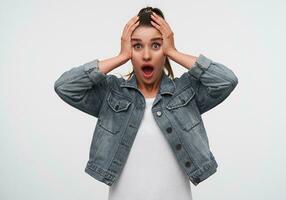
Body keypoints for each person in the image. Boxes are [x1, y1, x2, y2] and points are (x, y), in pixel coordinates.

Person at [54, 6, 238, 200]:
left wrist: (174, 52)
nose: (147, 55)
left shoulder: (187, 92)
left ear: (164, 50)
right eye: (137, 46)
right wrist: (121, 57)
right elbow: (65, 86)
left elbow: (226, 80)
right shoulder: (111, 94)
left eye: (156, 45)